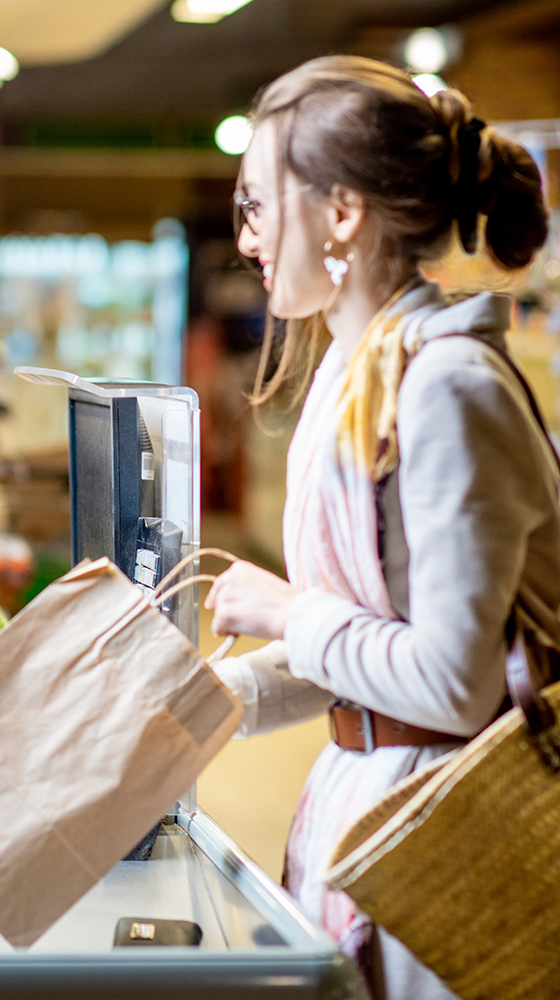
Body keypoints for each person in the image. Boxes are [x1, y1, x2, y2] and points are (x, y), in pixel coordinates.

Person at [203, 57, 559, 999]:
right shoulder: (358, 370)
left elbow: (445, 686)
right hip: (374, 808)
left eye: (259, 205)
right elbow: (361, 655)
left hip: (453, 842)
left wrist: (285, 613)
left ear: (343, 213)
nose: (249, 240)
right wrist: (214, 698)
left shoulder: (448, 386)